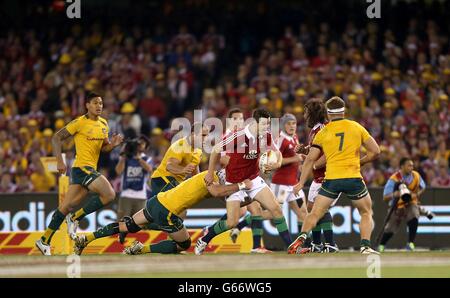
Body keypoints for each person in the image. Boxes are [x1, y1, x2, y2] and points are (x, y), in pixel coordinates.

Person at [72, 170, 252, 255]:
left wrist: (248, 197)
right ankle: (141, 249)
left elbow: (225, 198)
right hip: (168, 211)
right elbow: (219, 193)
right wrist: (243, 186)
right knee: (184, 244)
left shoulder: (207, 174)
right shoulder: (212, 181)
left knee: (127, 225)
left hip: (157, 201)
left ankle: (85, 239)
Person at [35, 92, 124, 255]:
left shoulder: (104, 124)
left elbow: (103, 148)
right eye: (95, 103)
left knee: (65, 206)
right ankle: (75, 218)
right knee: (109, 194)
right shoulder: (79, 122)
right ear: (87, 105)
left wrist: (114, 145)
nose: (99, 106)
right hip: (82, 168)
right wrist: (59, 161)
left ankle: (44, 240)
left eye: (101, 103)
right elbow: (56, 138)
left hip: (87, 170)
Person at [290, 96, 380, 255]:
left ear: (329, 113)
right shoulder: (356, 127)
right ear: (344, 110)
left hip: (331, 179)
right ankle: (365, 246)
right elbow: (375, 152)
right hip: (353, 177)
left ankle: (302, 238)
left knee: (315, 213)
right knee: (366, 212)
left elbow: (310, 159)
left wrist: (301, 182)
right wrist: (361, 162)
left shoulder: (323, 132)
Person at [196, 109, 292, 255]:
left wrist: (276, 164)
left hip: (253, 180)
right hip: (233, 182)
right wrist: (210, 173)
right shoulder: (238, 136)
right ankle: (205, 239)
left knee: (276, 209)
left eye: (268, 124)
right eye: (264, 124)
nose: (267, 127)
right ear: (255, 122)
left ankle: (291, 247)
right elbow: (216, 150)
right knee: (231, 222)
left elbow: (277, 153)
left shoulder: (266, 135)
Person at [303, 99, 338, 253]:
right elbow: (316, 152)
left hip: (327, 176)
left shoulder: (324, 129)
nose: (304, 115)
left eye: (306, 111)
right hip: (317, 178)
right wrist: (304, 151)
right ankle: (317, 244)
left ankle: (331, 244)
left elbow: (330, 153)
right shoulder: (315, 130)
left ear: (312, 113)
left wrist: (315, 165)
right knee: (312, 209)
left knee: (319, 208)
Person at [378, 157, 426, 252]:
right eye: (409, 165)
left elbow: (423, 186)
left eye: (412, 165)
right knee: (390, 228)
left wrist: (416, 195)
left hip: (410, 202)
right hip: (397, 205)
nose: (411, 168)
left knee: (414, 215)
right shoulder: (394, 179)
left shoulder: (416, 175)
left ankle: (410, 243)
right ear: (402, 166)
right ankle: (382, 245)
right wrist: (395, 194)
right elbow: (385, 197)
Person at [115, 135, 153, 220]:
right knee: (121, 223)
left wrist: (138, 158)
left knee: (140, 224)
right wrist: (123, 156)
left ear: (146, 147)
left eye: (142, 143)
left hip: (141, 196)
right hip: (126, 195)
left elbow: (149, 169)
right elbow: (118, 171)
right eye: (138, 143)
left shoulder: (146, 158)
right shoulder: (126, 157)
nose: (139, 145)